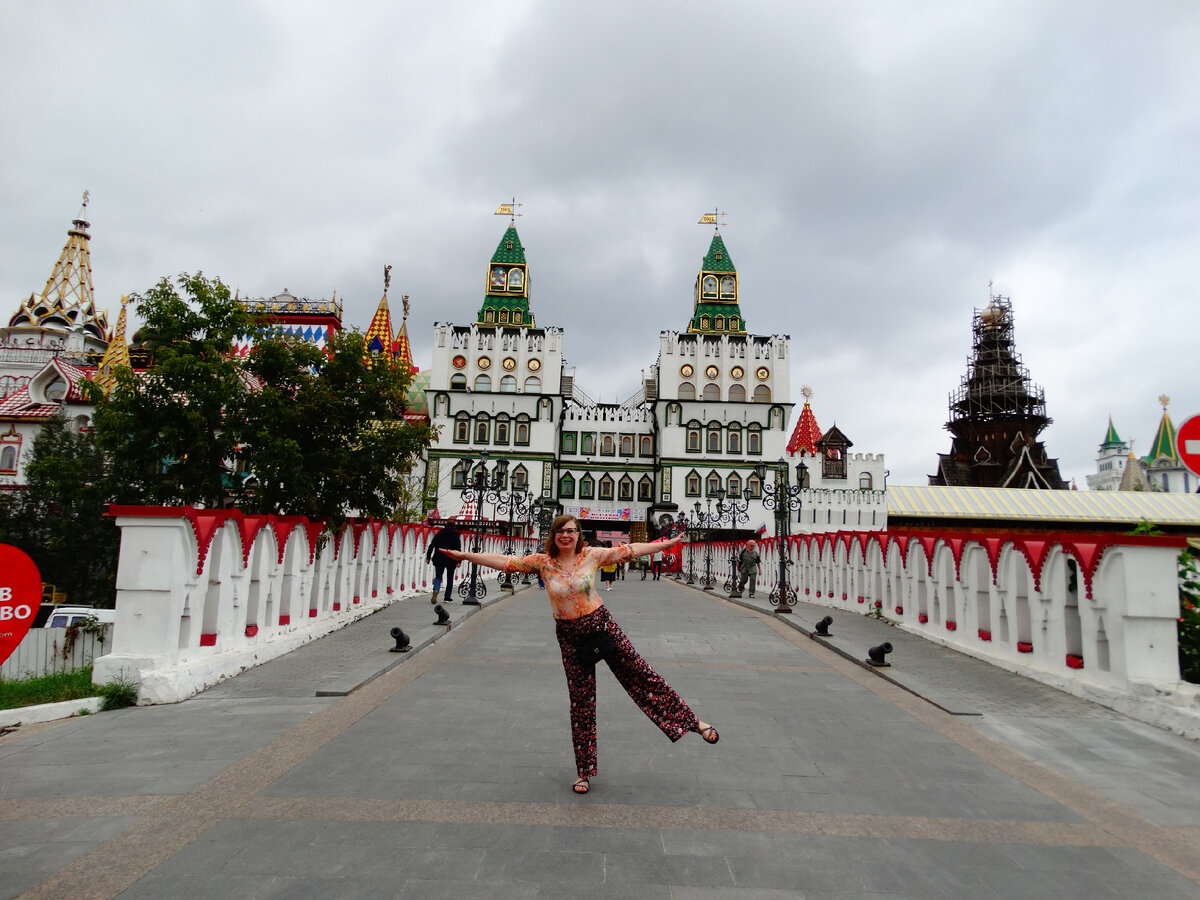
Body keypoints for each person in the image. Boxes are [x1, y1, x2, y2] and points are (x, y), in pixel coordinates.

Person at [442, 514, 719, 795]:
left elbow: (631, 549)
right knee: (581, 702)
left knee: (641, 675)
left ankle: (692, 722)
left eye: (571, 531)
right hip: (571, 638)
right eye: (560, 531)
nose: (566, 535)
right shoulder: (543, 562)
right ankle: (583, 772)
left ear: (578, 534)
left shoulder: (592, 555)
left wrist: (666, 544)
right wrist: (466, 555)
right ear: (554, 535)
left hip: (602, 627)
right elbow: (505, 562)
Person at [425, 523, 462, 604]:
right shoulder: (455, 535)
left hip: (439, 558)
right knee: (450, 578)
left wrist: (428, 557)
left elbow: (431, 546)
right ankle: (447, 597)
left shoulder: (439, 534)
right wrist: (459, 561)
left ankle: (436, 589)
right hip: (451, 559)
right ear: (454, 527)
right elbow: (458, 549)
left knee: (438, 577)